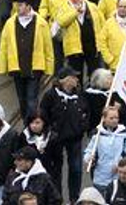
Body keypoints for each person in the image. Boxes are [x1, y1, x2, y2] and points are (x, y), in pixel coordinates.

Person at [0, 0, 55, 118]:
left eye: (20, 5)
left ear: (29, 6)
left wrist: (49, 68)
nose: (17, 8)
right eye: (17, 5)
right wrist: (3, 67)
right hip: (17, 68)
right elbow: (4, 46)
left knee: (31, 99)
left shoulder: (41, 23)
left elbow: (48, 47)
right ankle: (26, 120)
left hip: (35, 68)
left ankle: (31, 122)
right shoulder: (10, 23)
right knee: (22, 99)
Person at [39, 66, 89, 202]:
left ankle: (74, 198)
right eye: (74, 77)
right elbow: (43, 114)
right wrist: (50, 131)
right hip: (56, 139)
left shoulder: (79, 94)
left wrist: (83, 126)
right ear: (65, 80)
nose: (77, 79)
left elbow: (86, 111)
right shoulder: (50, 95)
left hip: (75, 138)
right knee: (56, 170)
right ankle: (57, 198)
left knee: (76, 169)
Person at [84, 105, 126, 191]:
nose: (115, 120)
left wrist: (121, 164)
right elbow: (89, 151)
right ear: (104, 119)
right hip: (100, 178)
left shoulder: (124, 134)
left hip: (119, 178)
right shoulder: (97, 134)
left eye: (116, 118)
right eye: (111, 118)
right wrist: (88, 159)